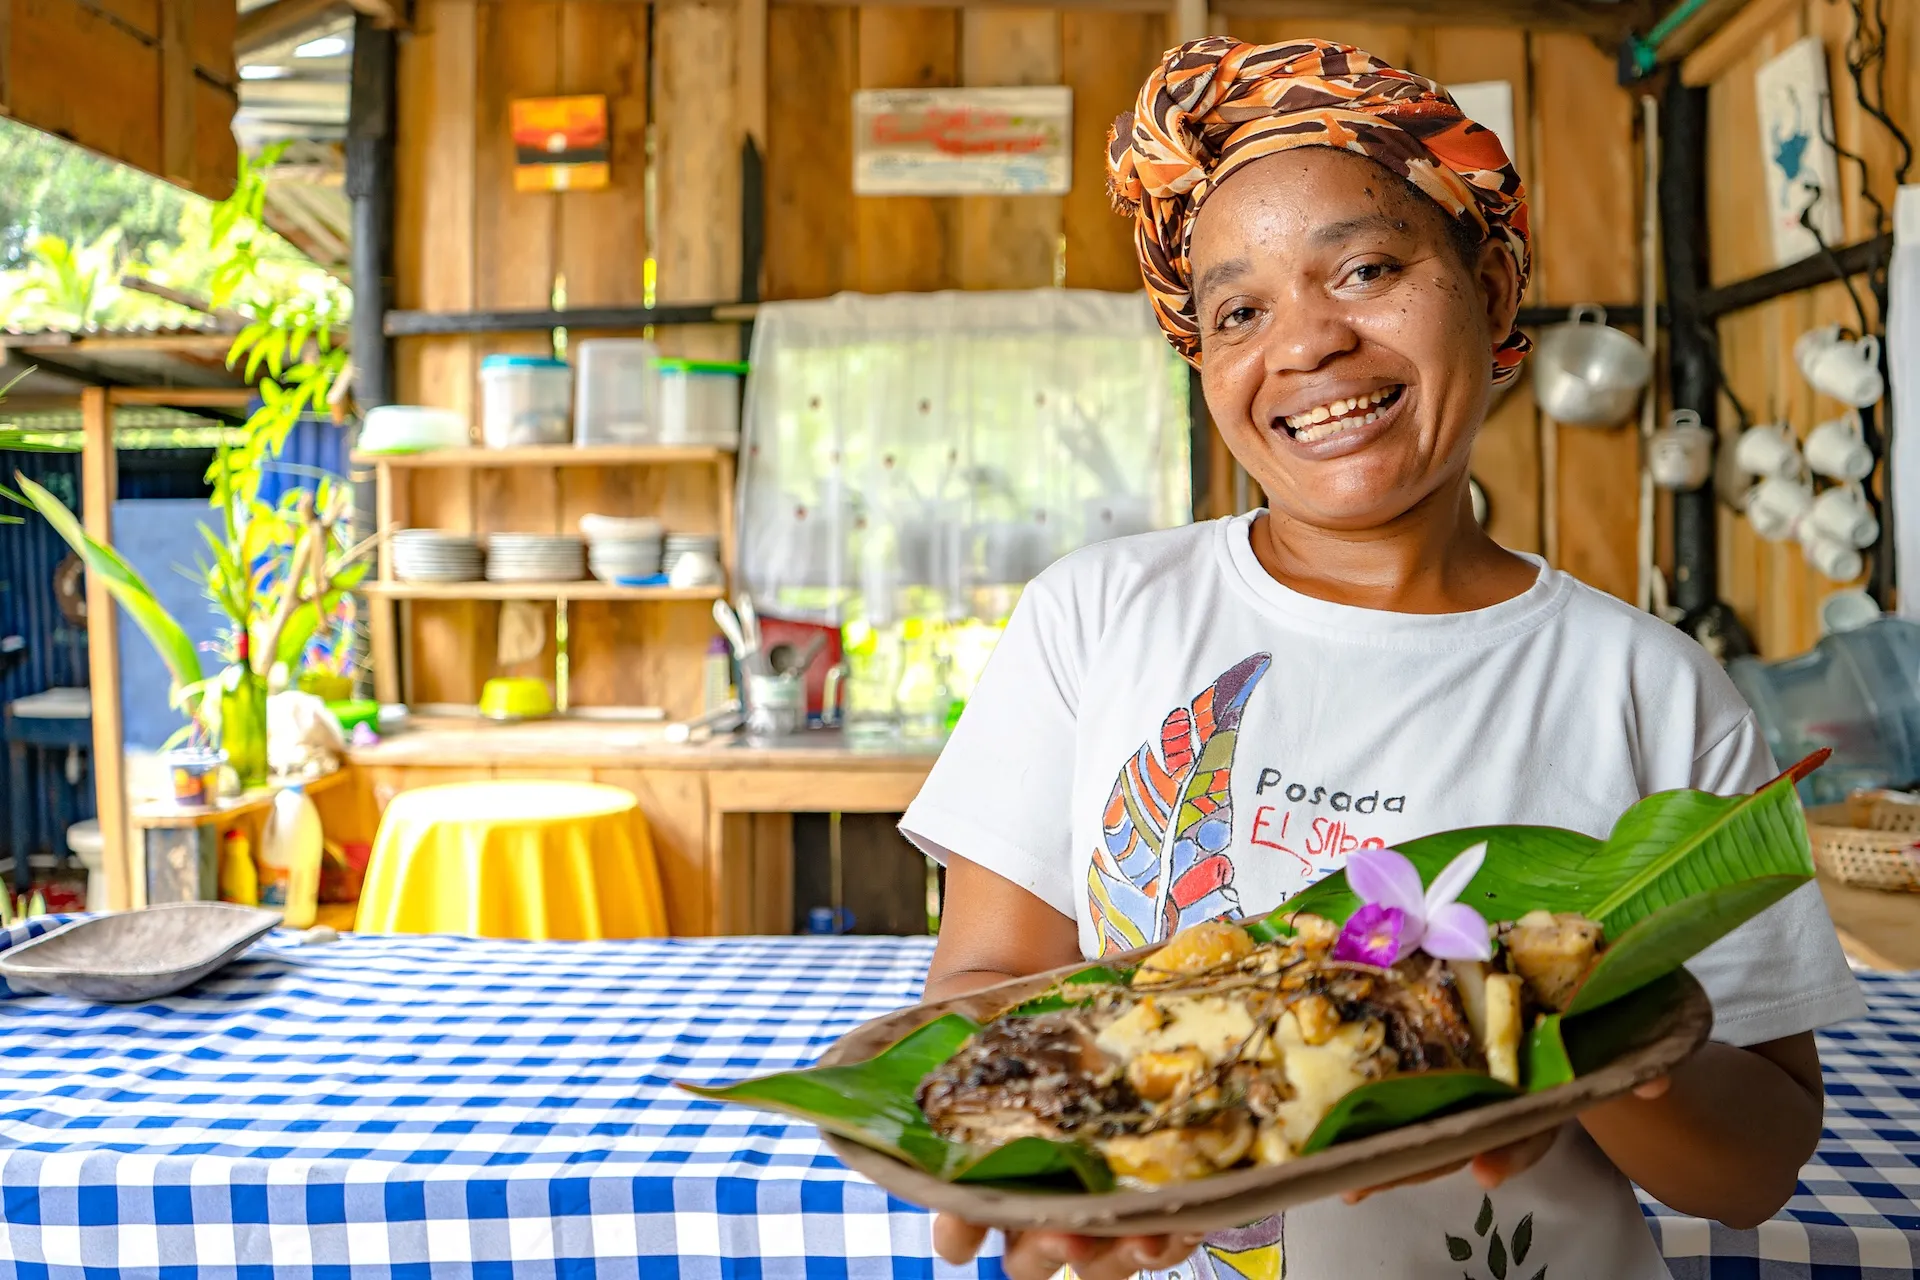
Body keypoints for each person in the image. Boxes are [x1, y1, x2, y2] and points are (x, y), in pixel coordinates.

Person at [899, 36, 1866, 1280]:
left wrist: (1544, 1035)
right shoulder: (1099, 613)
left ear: (1496, 292)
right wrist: (1046, 1159)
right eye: (1238, 309)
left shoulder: (1652, 688)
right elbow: (990, 979)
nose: (1304, 344)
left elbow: (1758, 1162)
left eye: (1364, 267)